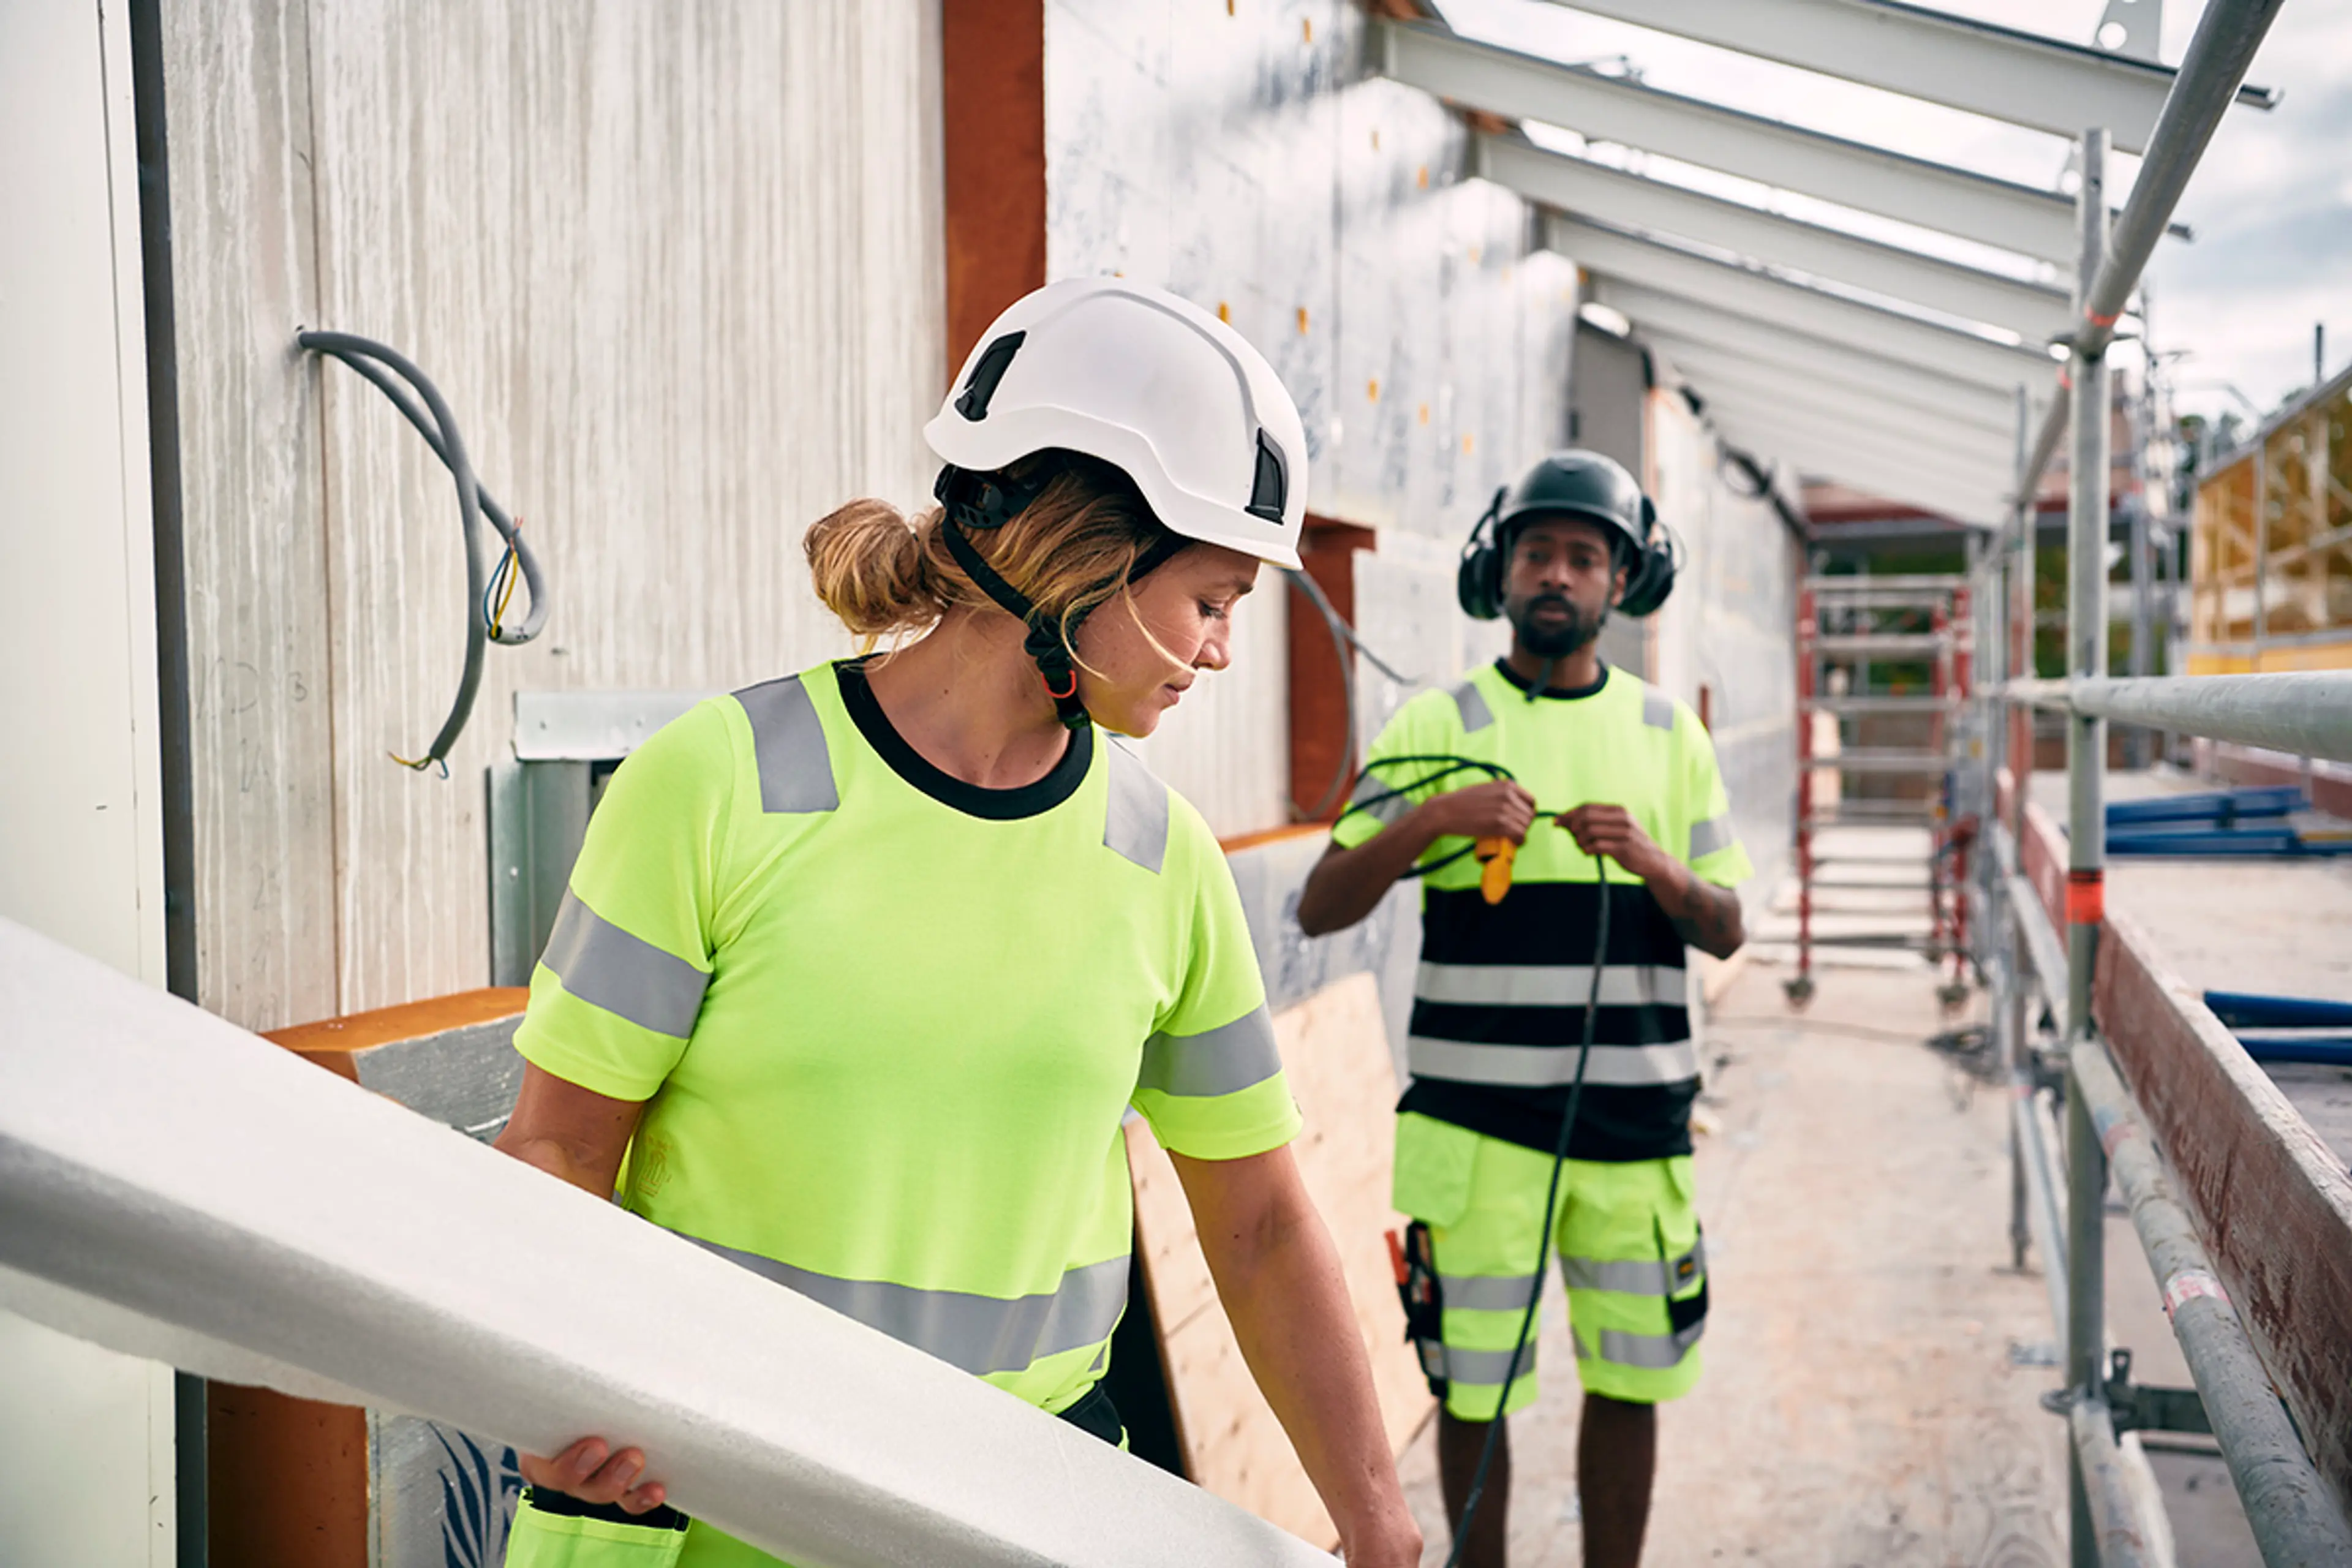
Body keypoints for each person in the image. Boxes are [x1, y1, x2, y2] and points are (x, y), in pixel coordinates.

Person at [492, 277, 1422, 1568]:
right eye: (1211, 602)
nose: (1216, 653)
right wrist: (544, 1393)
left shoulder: (1162, 856)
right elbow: (558, 1143)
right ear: (1088, 556)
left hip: (1015, 1517)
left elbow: (1259, 1223)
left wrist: (1375, 1517)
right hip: (705, 1513)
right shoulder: (718, 780)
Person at [1295, 451, 1750, 1568]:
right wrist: (1435, 818)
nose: (1558, 574)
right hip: (1476, 1136)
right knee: (1472, 1394)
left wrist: (1654, 865)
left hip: (1634, 1136)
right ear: (1498, 572)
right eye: (1538, 552)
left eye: (1584, 557)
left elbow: (1727, 926)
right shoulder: (1432, 724)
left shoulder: (1665, 737)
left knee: (1630, 1380)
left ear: (1624, 582)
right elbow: (1321, 903)